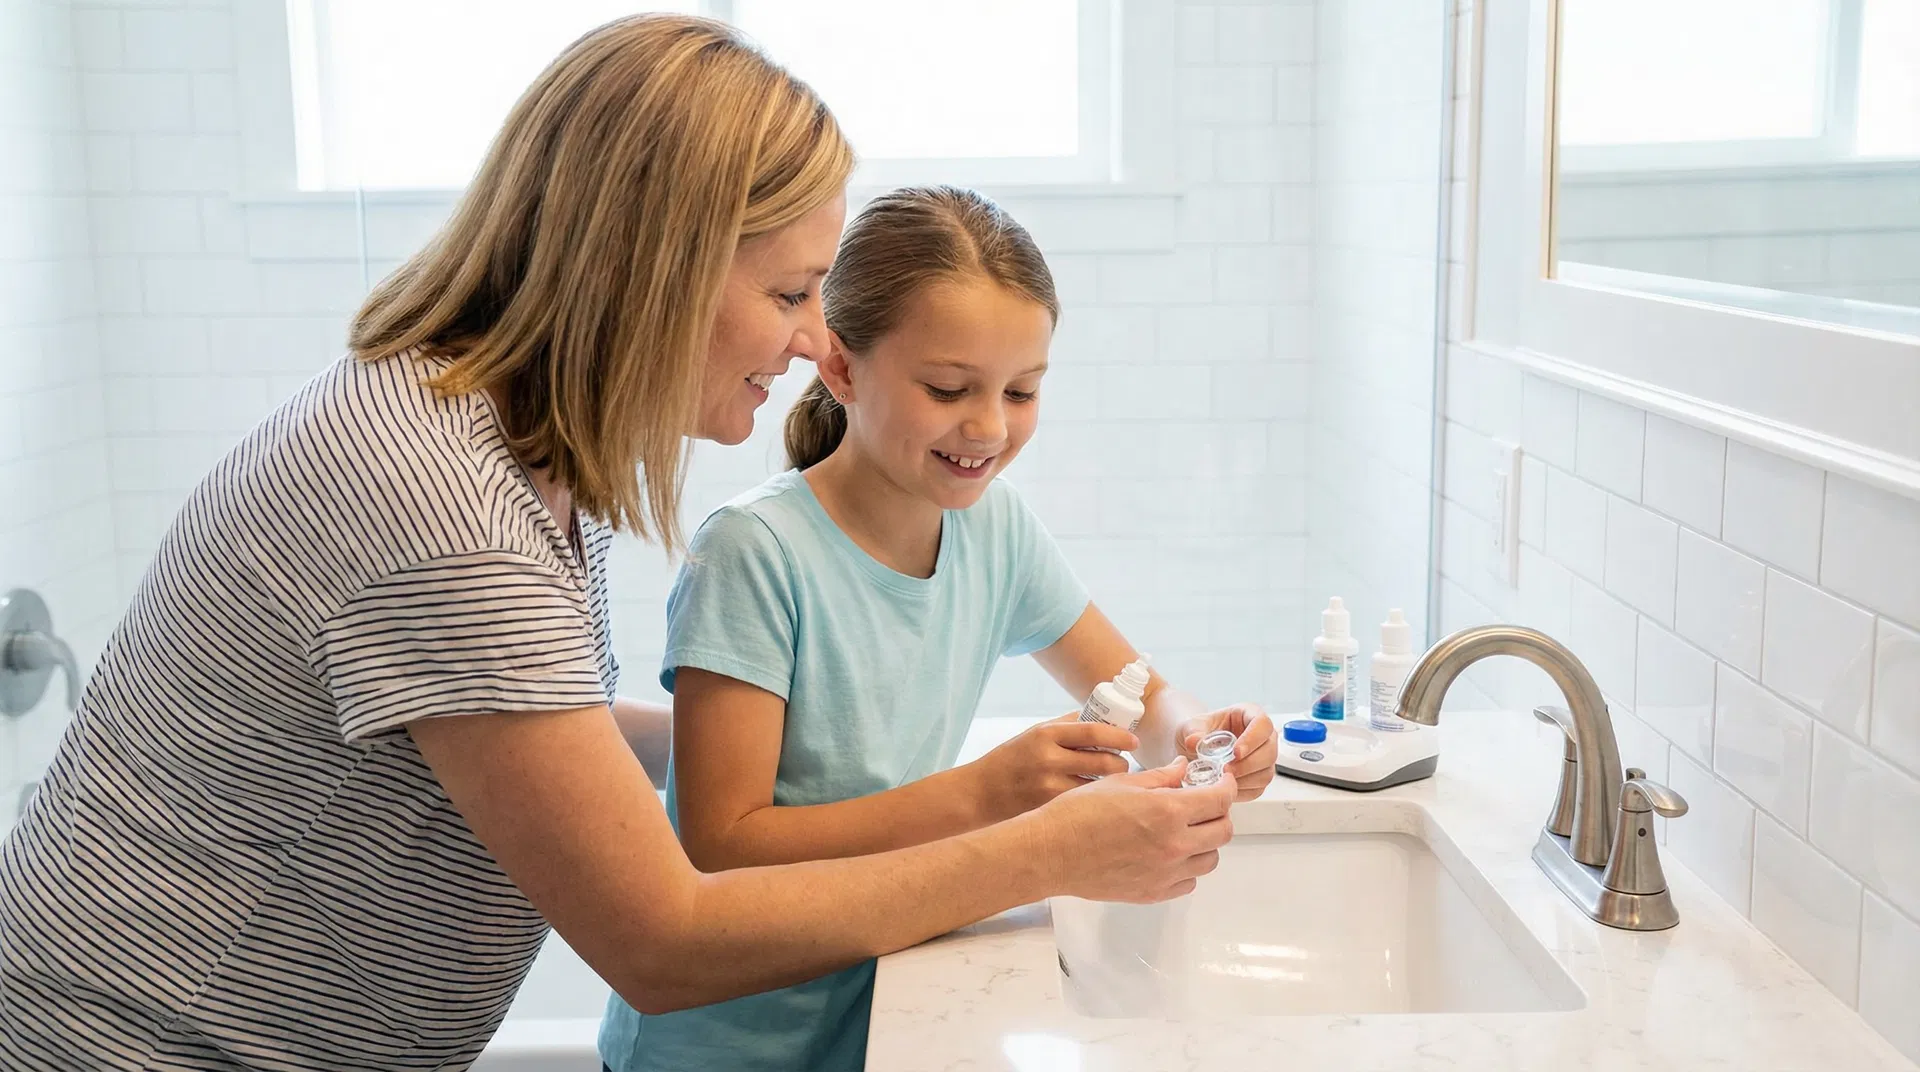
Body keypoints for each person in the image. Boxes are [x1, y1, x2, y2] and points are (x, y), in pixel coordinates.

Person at [0, 18, 1237, 1072]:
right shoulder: (445, 513)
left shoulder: (482, 435)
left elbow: (515, 734)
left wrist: (759, 735)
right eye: (790, 292)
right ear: (654, 268)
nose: (815, 343)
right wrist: (1041, 847)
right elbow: (664, 937)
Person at [599, 186, 1280, 1072]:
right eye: (948, 388)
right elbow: (724, 845)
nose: (989, 427)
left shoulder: (996, 531)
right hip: (723, 1043)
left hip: (874, 1005)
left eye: (1022, 390)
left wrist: (1196, 732)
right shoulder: (755, 555)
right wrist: (986, 795)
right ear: (840, 369)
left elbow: (1136, 689)